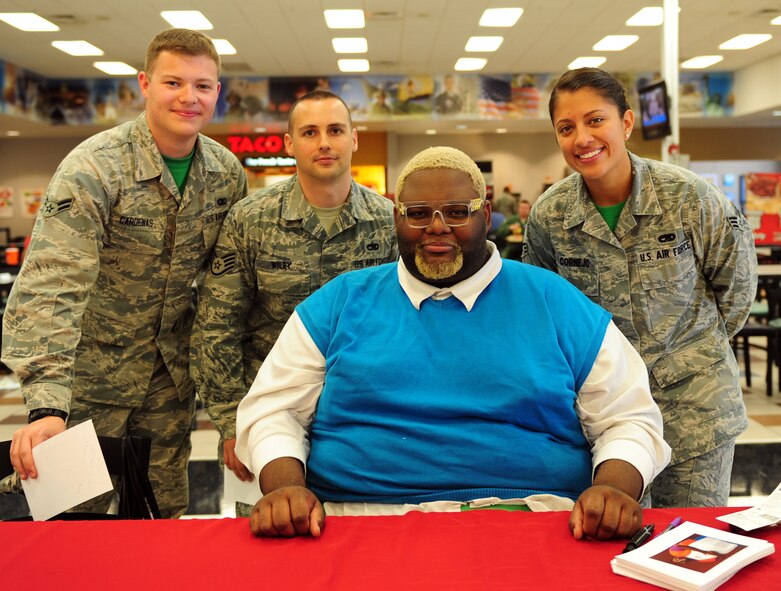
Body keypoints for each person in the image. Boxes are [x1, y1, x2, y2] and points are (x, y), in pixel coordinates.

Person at [235, 146, 670, 539]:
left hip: (535, 517)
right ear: (396, 217)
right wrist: (286, 488)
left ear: (485, 214)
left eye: (457, 212)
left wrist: (613, 489)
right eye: (419, 213)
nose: (437, 228)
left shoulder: (554, 301)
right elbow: (275, 412)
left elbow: (627, 417)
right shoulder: (339, 302)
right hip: (359, 517)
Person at [2, 29, 249, 518]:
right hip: (89, 381)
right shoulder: (95, 167)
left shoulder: (225, 174)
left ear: (217, 92)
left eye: (202, 86)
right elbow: (52, 286)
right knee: (73, 522)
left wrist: (232, 412)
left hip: (169, 384)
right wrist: (47, 405)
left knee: (161, 518)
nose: (188, 97)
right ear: (145, 83)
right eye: (173, 82)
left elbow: (228, 288)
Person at [522, 67, 757, 508]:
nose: (583, 138)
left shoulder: (689, 197)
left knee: (690, 546)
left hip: (693, 410)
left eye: (596, 121)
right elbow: (546, 309)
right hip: (602, 417)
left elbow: (737, 290)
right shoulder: (550, 215)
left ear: (626, 123)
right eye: (566, 128)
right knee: (615, 548)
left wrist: (691, 354)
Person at [191, 90, 398, 516]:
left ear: (354, 139)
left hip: (361, 417)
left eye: (335, 130)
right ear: (289, 144)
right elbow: (216, 328)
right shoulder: (251, 219)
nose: (324, 142)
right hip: (268, 411)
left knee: (366, 546)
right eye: (310, 132)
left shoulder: (388, 221)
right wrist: (235, 425)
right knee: (272, 539)